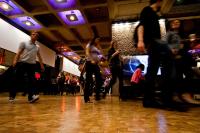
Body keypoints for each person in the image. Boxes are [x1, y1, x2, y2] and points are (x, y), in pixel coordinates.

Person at [136, 0, 183, 110]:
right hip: (154, 42)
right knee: (168, 63)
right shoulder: (147, 10)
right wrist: (140, 40)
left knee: (152, 71)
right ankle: (167, 98)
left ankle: (149, 99)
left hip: (155, 43)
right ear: (158, 1)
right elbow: (141, 25)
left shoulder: (155, 14)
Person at [9, 31, 44, 103]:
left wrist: (42, 65)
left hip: (32, 65)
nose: (35, 36)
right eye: (33, 34)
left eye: (36, 35)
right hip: (23, 63)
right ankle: (12, 96)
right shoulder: (24, 43)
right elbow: (18, 53)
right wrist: (15, 61)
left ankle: (30, 98)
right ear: (31, 35)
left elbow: (39, 56)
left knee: (32, 81)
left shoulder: (37, 47)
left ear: (37, 38)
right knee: (17, 80)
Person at [84, 37, 103, 103]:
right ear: (94, 39)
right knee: (88, 81)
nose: (98, 40)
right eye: (97, 39)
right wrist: (91, 59)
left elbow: (101, 55)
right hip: (89, 63)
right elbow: (87, 52)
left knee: (100, 80)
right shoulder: (89, 45)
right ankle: (86, 98)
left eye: (99, 40)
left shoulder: (97, 47)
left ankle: (97, 95)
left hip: (95, 64)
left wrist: (99, 47)